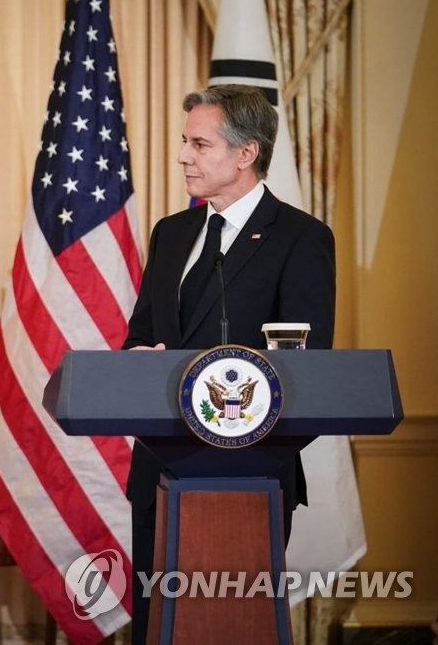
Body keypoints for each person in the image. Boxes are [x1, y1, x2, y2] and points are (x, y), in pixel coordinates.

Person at [122, 84, 335, 643]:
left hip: (249, 477)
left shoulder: (301, 239)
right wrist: (140, 361)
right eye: (183, 142)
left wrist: (244, 435)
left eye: (200, 143)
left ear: (246, 154)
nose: (182, 156)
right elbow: (140, 336)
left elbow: (307, 369)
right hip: (160, 473)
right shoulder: (172, 233)